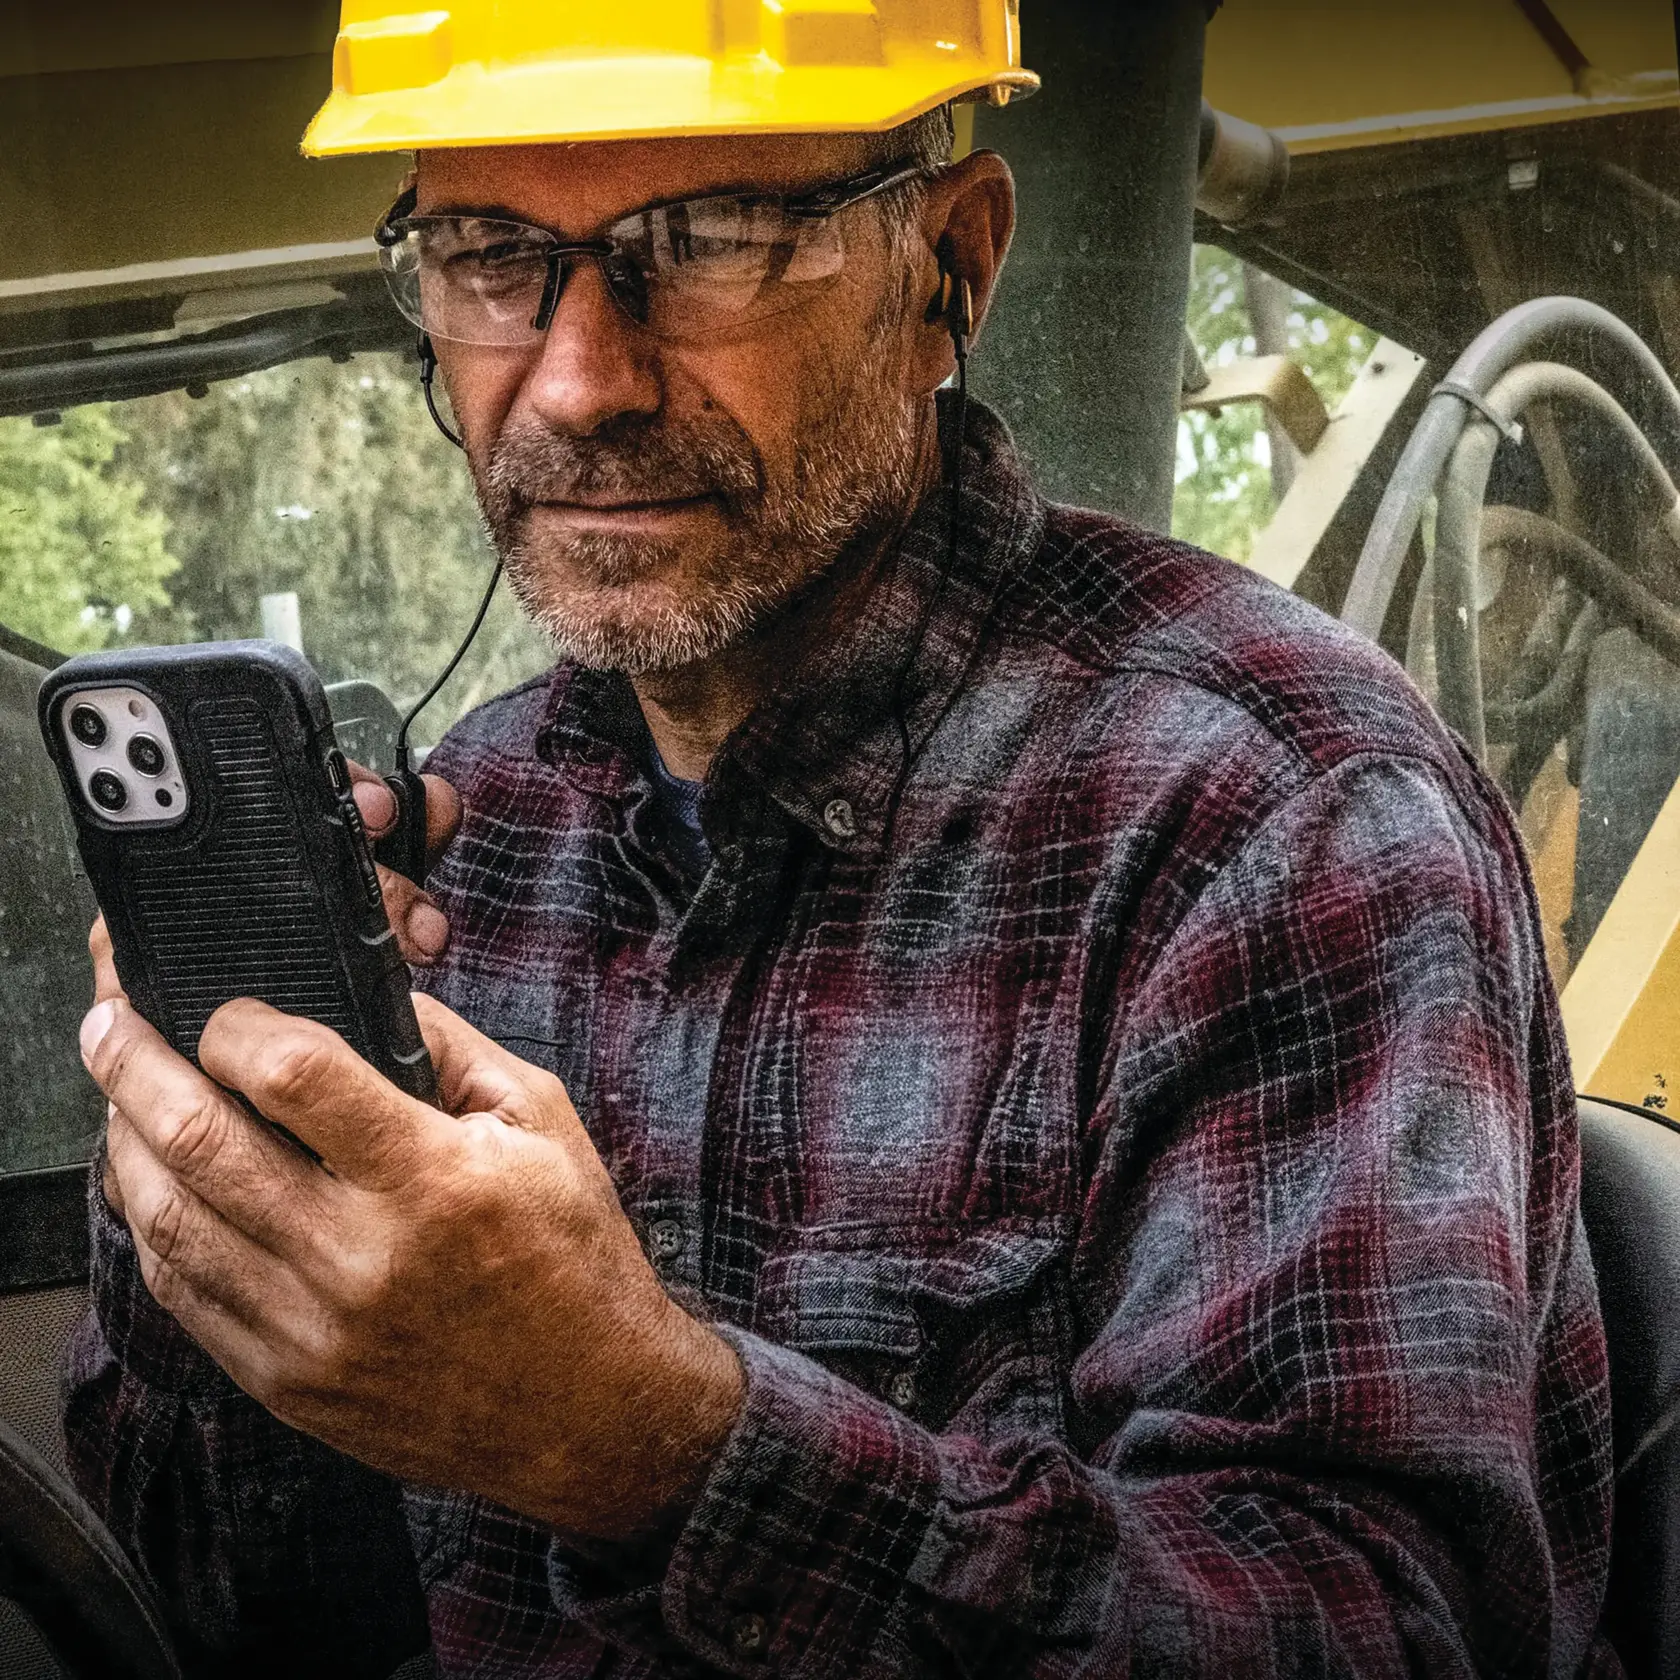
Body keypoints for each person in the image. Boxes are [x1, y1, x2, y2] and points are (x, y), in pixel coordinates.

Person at [66, 4, 1618, 1675]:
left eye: (714, 241)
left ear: (952, 263)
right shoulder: (462, 842)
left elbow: (1376, 1636)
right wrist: (204, 1198)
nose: (580, 381)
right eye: (490, 255)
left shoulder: (1276, 821)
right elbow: (236, 1605)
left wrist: (654, 1448)